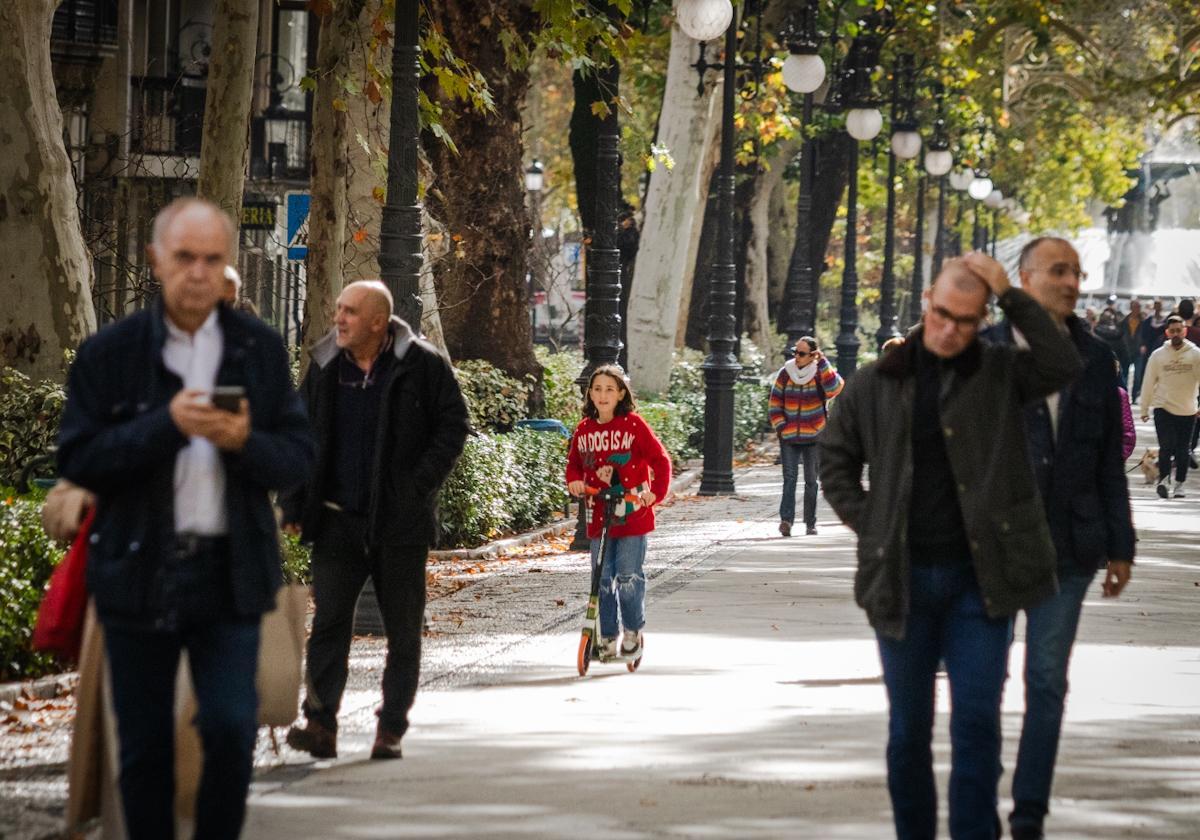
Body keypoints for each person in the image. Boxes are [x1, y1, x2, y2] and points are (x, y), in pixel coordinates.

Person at [56, 197, 315, 840]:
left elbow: (297, 457)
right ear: (156, 262)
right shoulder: (110, 354)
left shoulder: (258, 349)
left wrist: (243, 441)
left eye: (212, 259)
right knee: (143, 748)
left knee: (230, 728)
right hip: (139, 570)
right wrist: (165, 426)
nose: (198, 272)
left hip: (230, 574)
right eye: (184, 258)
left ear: (228, 264)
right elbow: (80, 456)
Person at [820, 252, 1082, 840]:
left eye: (966, 320)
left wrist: (1011, 293)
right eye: (942, 314)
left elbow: (1063, 362)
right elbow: (835, 459)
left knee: (977, 727)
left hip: (980, 586)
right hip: (903, 583)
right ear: (926, 304)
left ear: (981, 318)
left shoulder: (999, 371)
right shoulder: (878, 380)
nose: (949, 329)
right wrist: (874, 523)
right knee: (908, 733)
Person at [983, 236, 1135, 840]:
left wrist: (1121, 544)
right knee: (984, 680)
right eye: (1059, 271)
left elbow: (1106, 461)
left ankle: (1028, 814)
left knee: (1045, 680)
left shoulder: (1096, 358)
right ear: (1022, 279)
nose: (1073, 281)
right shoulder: (981, 350)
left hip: (1069, 546)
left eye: (1078, 271)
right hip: (992, 545)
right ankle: (978, 793)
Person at [282, 280, 469, 760]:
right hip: (337, 521)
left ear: (377, 322)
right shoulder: (325, 365)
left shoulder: (422, 364)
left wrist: (415, 487)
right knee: (328, 626)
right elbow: (300, 434)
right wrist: (296, 503)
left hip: (399, 525)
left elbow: (453, 425)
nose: (338, 319)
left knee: (403, 632)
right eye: (338, 309)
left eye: (348, 312)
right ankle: (320, 724)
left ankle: (390, 729)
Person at [566, 364, 671, 658]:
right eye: (597, 389)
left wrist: (655, 493)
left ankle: (633, 630)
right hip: (599, 515)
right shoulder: (584, 429)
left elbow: (660, 461)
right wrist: (574, 480)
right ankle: (608, 635)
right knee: (602, 578)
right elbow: (574, 463)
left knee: (627, 576)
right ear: (590, 393)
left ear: (621, 393)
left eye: (609, 389)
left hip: (633, 514)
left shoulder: (634, 425)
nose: (602, 395)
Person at [768, 336, 844, 537]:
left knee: (812, 481)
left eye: (801, 353)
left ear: (812, 355)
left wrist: (824, 363)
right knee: (789, 479)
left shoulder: (820, 372)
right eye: (795, 352)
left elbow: (834, 388)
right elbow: (775, 403)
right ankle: (786, 520)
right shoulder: (785, 373)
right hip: (789, 436)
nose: (797, 356)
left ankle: (810, 523)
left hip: (815, 436)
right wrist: (782, 427)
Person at [1139, 315, 1200, 498]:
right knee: (1166, 446)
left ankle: (1179, 484)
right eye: (1172, 331)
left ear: (1185, 331)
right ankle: (1164, 480)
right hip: (1162, 407)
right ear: (1167, 333)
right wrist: (1144, 408)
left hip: (1187, 409)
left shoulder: (1195, 354)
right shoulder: (1158, 355)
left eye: (1179, 330)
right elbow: (1148, 382)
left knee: (1183, 449)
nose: (1175, 334)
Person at [1134, 298, 1167, 400]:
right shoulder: (1148, 321)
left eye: (1159, 305)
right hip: (1149, 350)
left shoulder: (1165, 321)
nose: (1157, 307)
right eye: (1156, 305)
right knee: (1146, 371)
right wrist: (1142, 345)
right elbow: (1143, 335)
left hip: (1162, 350)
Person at [1120, 299, 1143, 395]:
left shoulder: (1143, 322)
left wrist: (1142, 345)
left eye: (1138, 307)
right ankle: (1124, 395)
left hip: (1138, 351)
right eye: (1134, 307)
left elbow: (1144, 336)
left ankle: (1134, 395)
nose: (1136, 309)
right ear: (1131, 308)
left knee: (1137, 376)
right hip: (1126, 351)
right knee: (1124, 375)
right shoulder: (1124, 322)